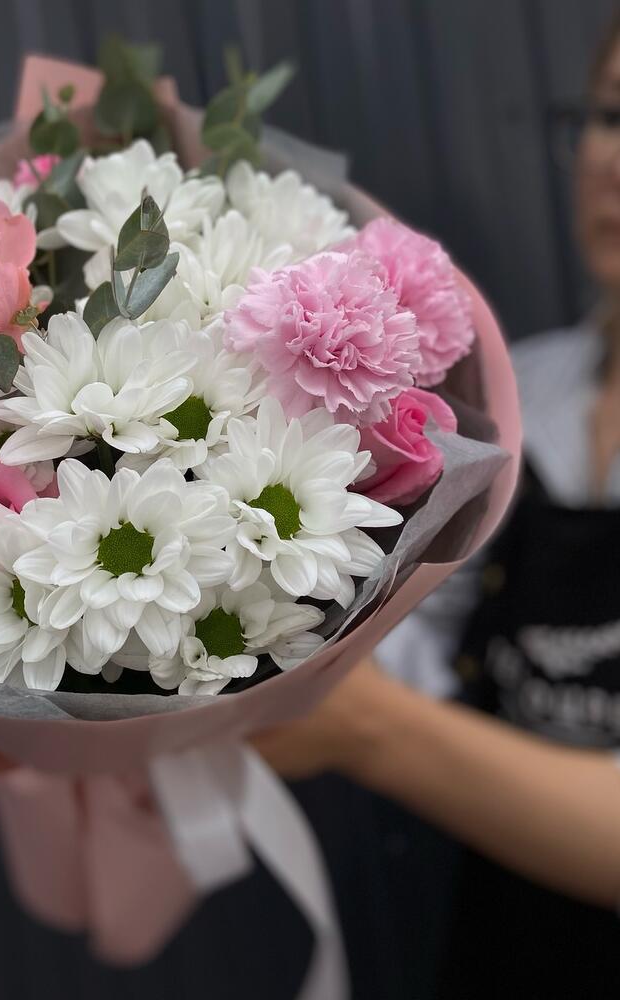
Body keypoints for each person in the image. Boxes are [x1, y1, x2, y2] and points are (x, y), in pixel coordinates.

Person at [254, 13, 620, 999]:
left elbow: (380, 714)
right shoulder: (510, 403)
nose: (617, 164)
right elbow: (415, 645)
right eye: (611, 116)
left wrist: (367, 728)